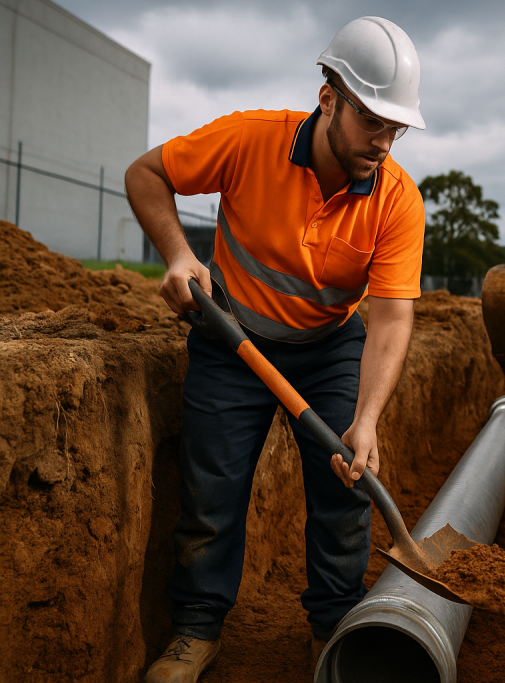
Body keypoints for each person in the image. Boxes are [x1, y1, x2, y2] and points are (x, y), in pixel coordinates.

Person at [124, 16, 426, 682]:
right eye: (371, 120)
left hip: (328, 349)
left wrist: (367, 416)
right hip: (231, 340)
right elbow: (146, 174)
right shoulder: (249, 141)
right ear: (329, 98)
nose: (384, 141)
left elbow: (392, 316)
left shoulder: (398, 201)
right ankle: (196, 629)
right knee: (212, 488)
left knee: (345, 489)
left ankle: (333, 628)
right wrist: (178, 256)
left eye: (395, 126)